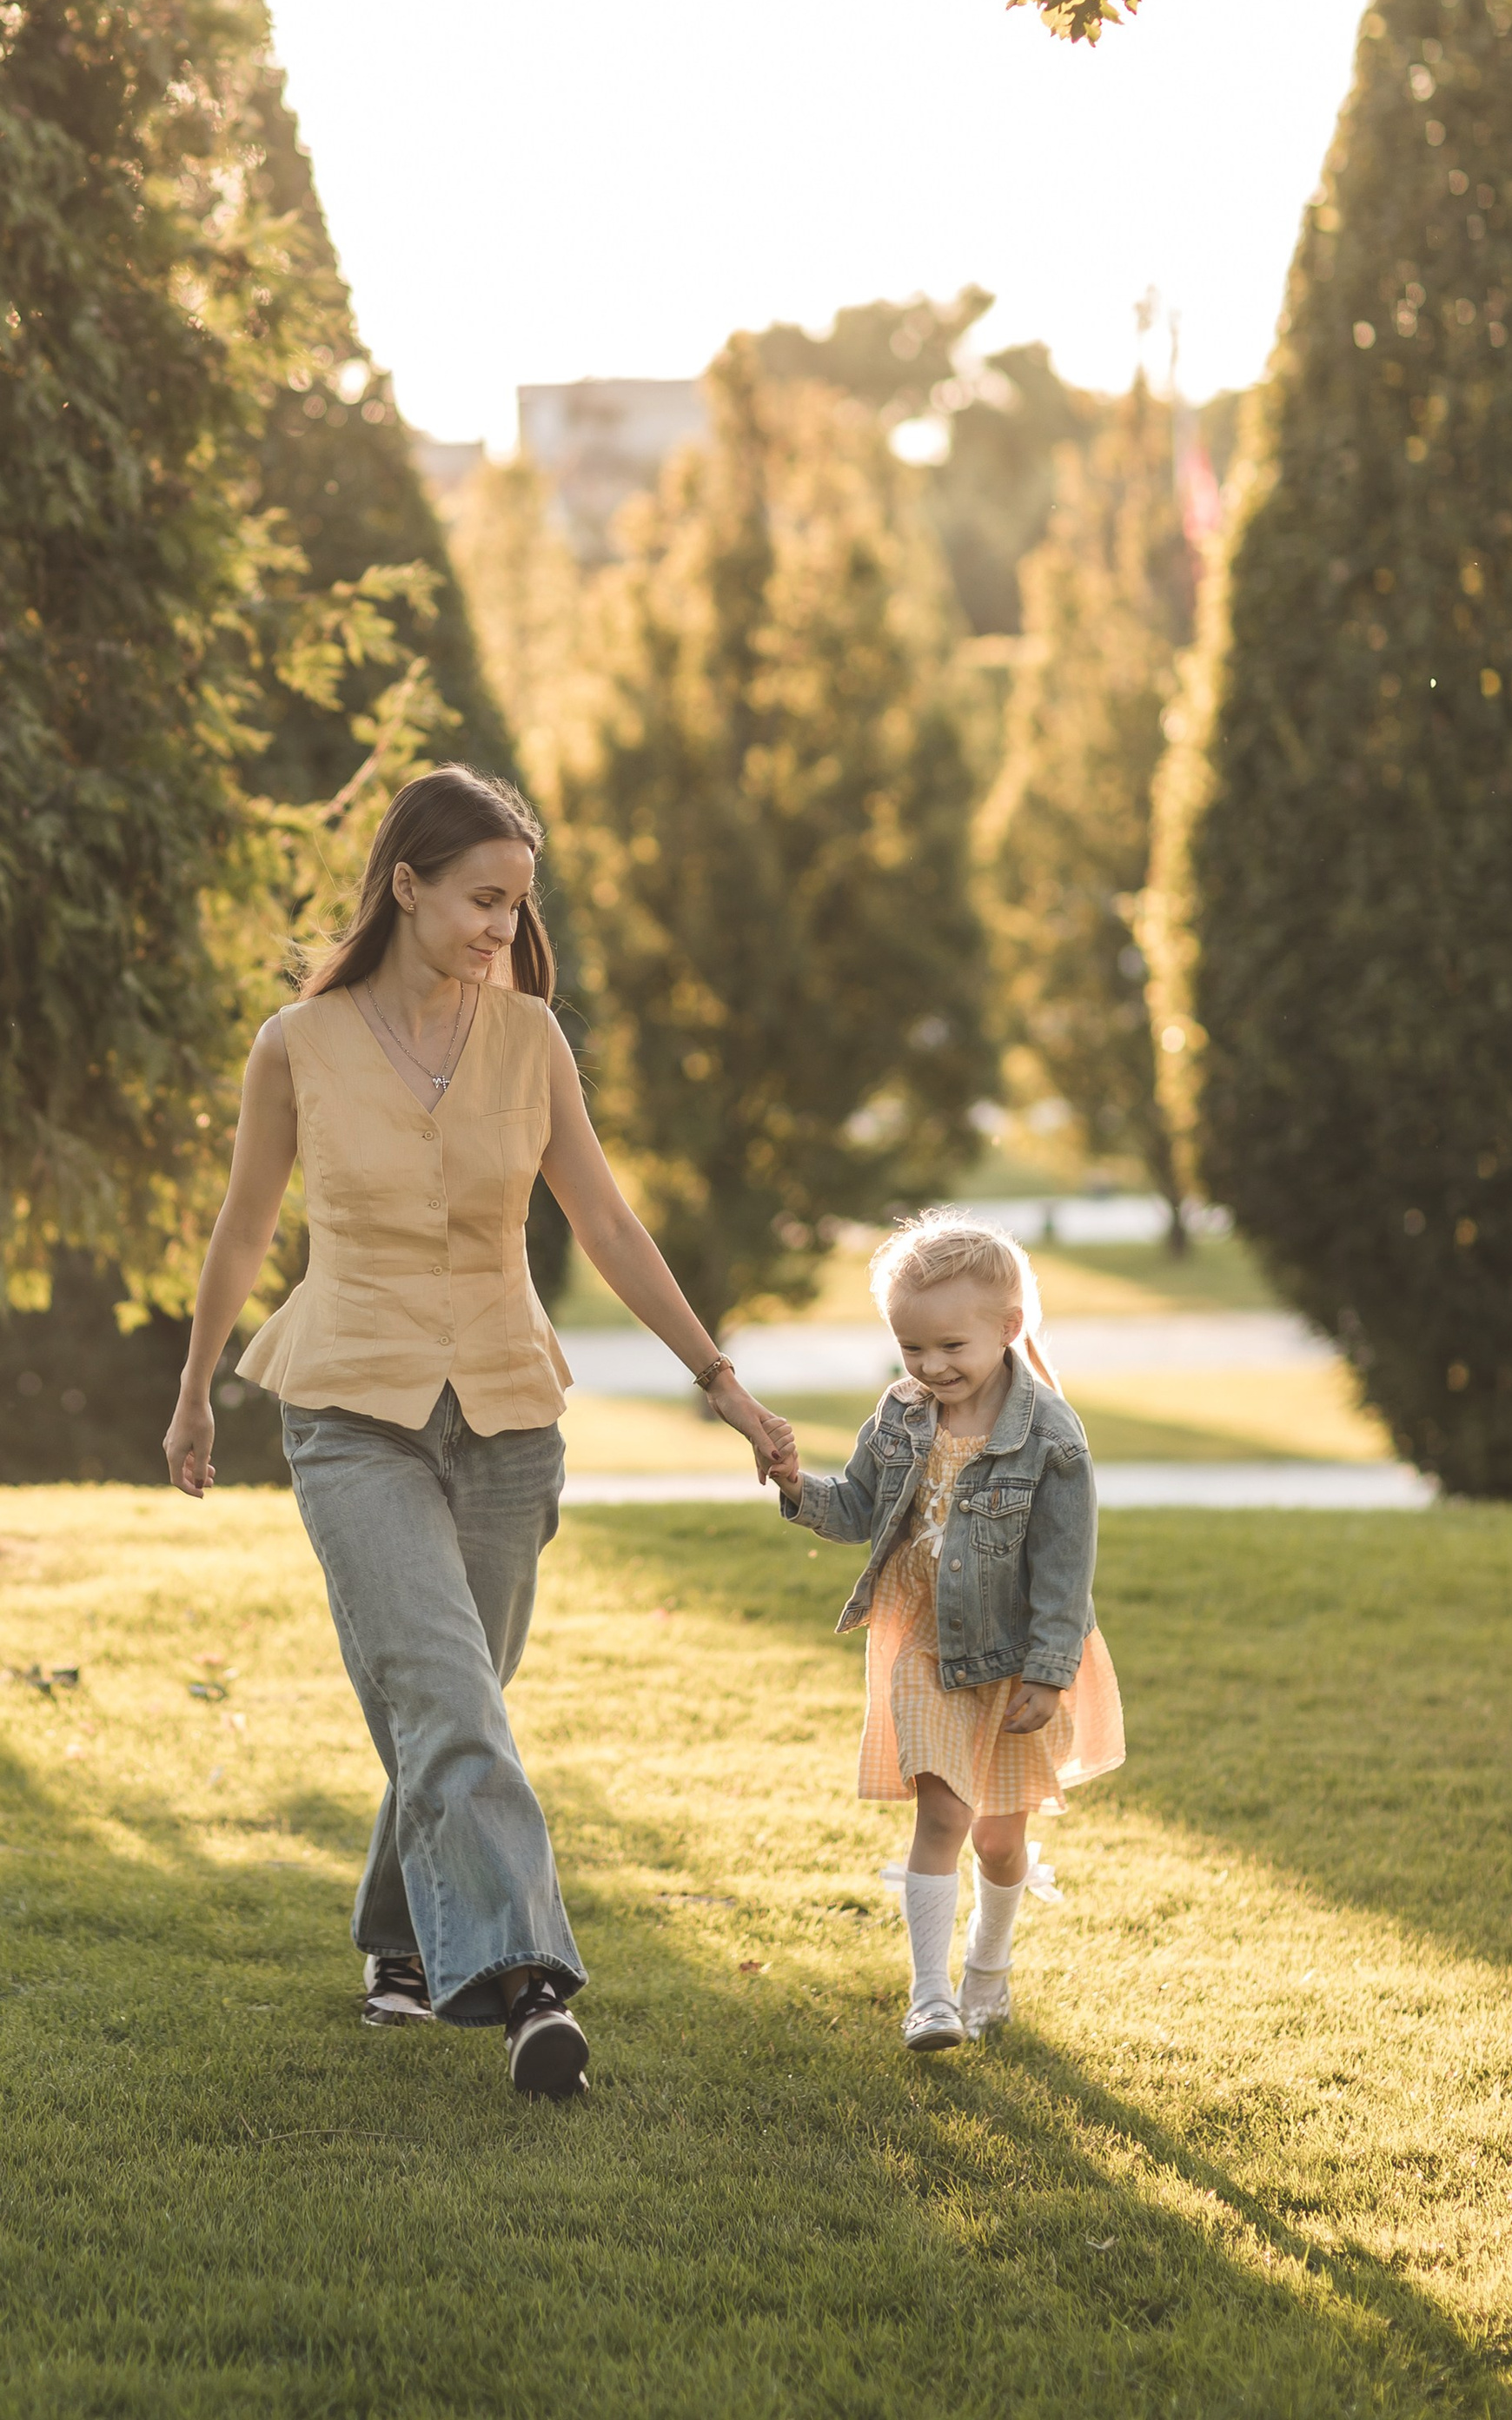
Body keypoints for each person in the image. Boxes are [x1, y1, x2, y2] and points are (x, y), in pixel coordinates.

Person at [162, 765, 792, 2101]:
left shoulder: (530, 1040)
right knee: (448, 1699)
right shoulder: (298, 1044)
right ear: (406, 885)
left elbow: (605, 1222)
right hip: (352, 1411)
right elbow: (246, 1225)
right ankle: (528, 1987)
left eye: (517, 905)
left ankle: (398, 1940)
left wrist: (722, 1384)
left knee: (455, 1707)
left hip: (510, 1416)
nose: (503, 927)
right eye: (480, 899)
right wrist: (194, 1389)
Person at [765, 1210, 1124, 2051]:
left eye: (951, 1346)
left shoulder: (1052, 1436)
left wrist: (1050, 1670)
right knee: (941, 1817)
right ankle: (929, 1996)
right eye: (912, 1347)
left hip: (1014, 1657)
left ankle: (987, 1967)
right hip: (925, 1645)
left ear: (1008, 1328)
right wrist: (796, 1485)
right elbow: (859, 1508)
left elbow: (1066, 1568)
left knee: (999, 1841)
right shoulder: (901, 1414)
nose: (930, 1366)